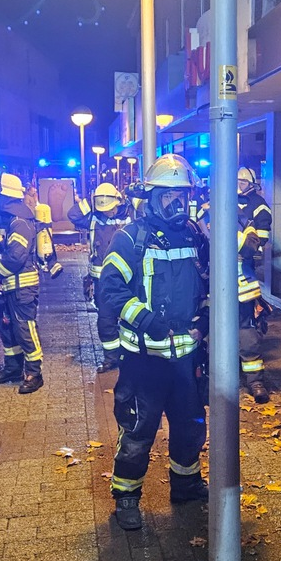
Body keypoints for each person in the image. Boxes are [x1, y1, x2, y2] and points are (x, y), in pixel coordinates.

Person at [98, 154, 210, 531]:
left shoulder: (196, 235)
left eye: (183, 197)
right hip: (144, 360)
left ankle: (186, 484)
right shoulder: (130, 237)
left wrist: (207, 319)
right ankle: (127, 496)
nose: (178, 205)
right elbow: (109, 289)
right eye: (169, 198)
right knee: (137, 430)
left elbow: (211, 281)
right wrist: (145, 320)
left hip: (186, 358)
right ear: (152, 197)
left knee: (190, 425)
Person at [0, 173, 45, 394]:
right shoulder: (7, 220)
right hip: (8, 287)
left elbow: (16, 256)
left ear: (3, 195)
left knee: (25, 329)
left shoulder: (20, 222)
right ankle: (12, 368)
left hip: (22, 288)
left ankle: (34, 373)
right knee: (7, 328)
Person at [68, 182, 133, 373]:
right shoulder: (94, 217)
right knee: (105, 320)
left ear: (118, 202)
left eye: (110, 208)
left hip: (127, 279)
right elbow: (72, 215)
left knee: (130, 318)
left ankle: (129, 355)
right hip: (102, 281)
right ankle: (111, 358)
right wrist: (92, 200)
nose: (107, 212)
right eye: (103, 208)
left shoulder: (130, 215)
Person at [236, 167, 273, 403]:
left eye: (242, 182)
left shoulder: (259, 204)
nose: (238, 185)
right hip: (212, 283)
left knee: (247, 331)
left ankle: (255, 380)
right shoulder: (214, 204)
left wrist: (246, 243)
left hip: (242, 281)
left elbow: (259, 240)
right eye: (236, 181)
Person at [26, 186, 63, 280]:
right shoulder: (27, 198)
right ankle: (48, 263)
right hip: (35, 220)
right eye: (33, 191)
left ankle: (47, 263)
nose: (34, 192)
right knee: (44, 241)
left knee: (45, 241)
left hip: (40, 223)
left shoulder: (34, 200)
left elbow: (36, 205)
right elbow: (30, 208)